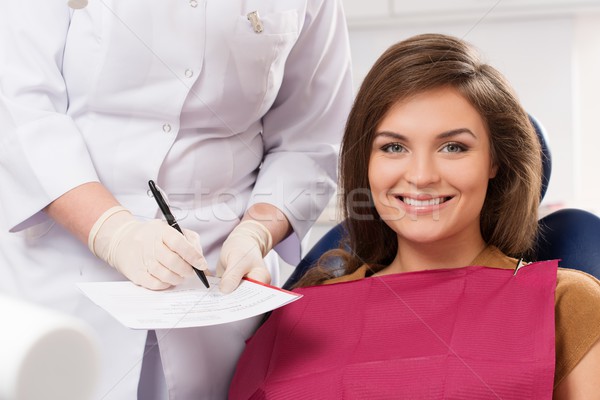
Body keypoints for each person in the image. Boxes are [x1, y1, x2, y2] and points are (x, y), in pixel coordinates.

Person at [0, 1, 353, 399]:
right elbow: (20, 110)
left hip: (219, 283)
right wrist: (112, 233)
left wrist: (257, 232)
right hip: (64, 270)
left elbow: (310, 138)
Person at [228, 33, 600, 399]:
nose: (421, 176)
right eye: (393, 147)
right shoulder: (299, 317)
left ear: (494, 161)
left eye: (453, 147)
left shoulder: (566, 304)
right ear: (366, 163)